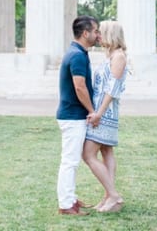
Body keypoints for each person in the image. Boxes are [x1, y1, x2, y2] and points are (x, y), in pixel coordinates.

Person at [56, 15, 101, 216]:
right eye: (95, 31)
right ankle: (66, 205)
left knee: (72, 160)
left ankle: (71, 198)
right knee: (70, 161)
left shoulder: (78, 53)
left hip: (73, 115)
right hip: (73, 116)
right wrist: (92, 111)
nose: (98, 34)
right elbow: (79, 86)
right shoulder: (77, 56)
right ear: (85, 33)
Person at [82, 20, 128, 213]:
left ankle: (114, 195)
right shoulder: (110, 55)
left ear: (110, 34)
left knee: (88, 154)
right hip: (100, 110)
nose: (98, 36)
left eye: (101, 33)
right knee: (106, 152)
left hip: (105, 113)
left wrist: (99, 113)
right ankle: (109, 197)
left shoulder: (119, 56)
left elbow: (113, 89)